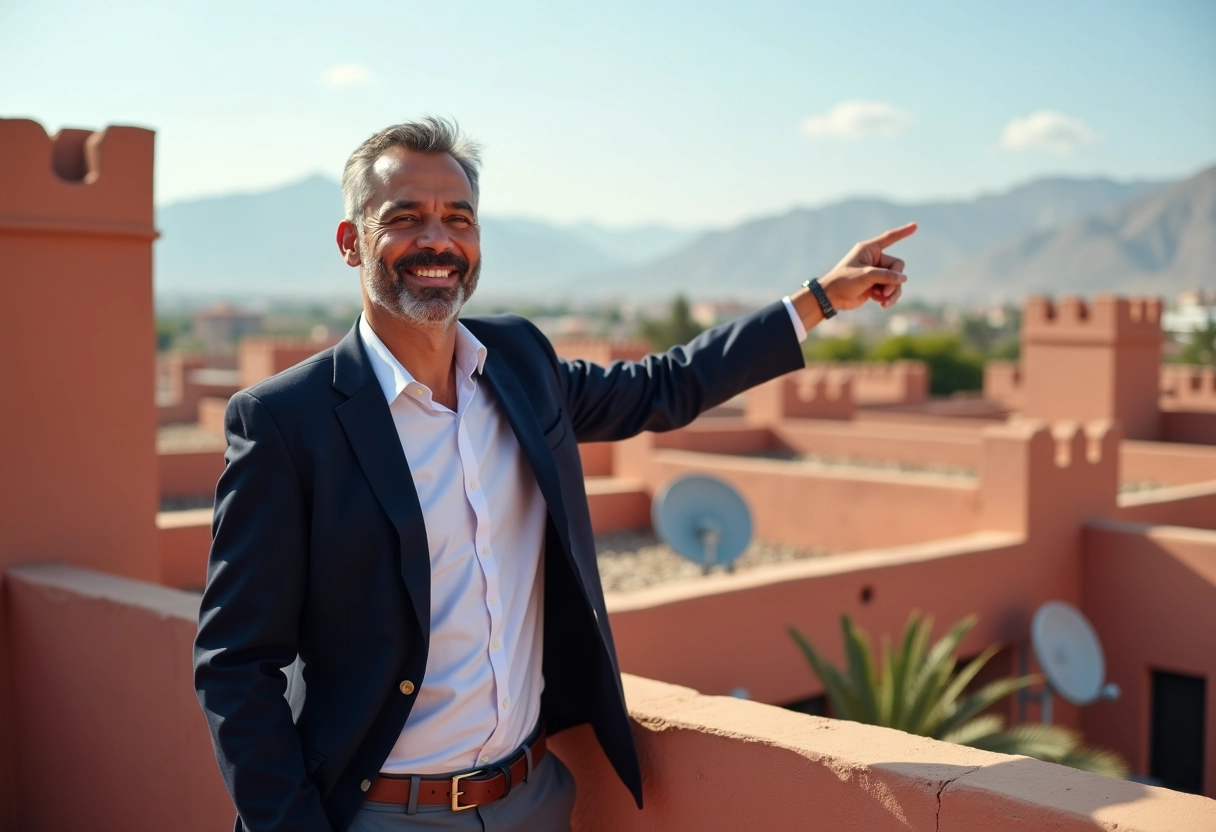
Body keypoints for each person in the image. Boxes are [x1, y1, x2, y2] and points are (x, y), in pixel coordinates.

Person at [193, 117, 915, 832]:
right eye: (405, 218)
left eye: (459, 219)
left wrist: (820, 299)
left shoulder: (520, 363)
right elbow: (235, 662)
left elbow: (663, 386)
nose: (438, 240)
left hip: (534, 800)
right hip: (382, 816)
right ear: (352, 241)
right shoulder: (287, 421)